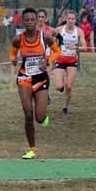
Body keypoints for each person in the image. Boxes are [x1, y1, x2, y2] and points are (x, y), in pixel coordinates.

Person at [11, 8, 59, 159]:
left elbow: (57, 51)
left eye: (33, 20)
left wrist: (48, 61)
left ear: (37, 21)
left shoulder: (45, 37)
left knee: (39, 117)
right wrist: (13, 59)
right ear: (23, 22)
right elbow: (13, 52)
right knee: (28, 114)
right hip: (25, 77)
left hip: (41, 78)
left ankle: (43, 113)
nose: (30, 23)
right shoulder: (18, 39)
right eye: (27, 20)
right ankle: (32, 149)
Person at [52, 11, 87, 115]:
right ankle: (60, 84)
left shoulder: (79, 31)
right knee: (59, 87)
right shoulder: (59, 30)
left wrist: (75, 47)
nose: (71, 21)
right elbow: (52, 43)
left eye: (73, 19)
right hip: (60, 60)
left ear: (75, 20)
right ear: (66, 19)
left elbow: (85, 48)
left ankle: (65, 107)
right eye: (69, 18)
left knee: (69, 86)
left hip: (72, 61)